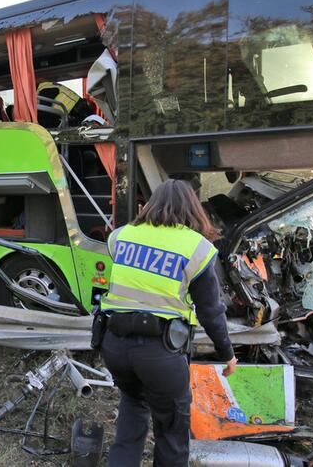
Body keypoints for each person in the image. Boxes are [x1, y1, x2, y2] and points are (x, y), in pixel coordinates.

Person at [97, 179, 236, 467]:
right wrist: (227, 353)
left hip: (115, 347)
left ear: (151, 204)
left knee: (133, 408)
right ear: (193, 208)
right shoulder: (196, 248)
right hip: (160, 354)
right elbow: (211, 310)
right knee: (172, 430)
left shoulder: (122, 236)